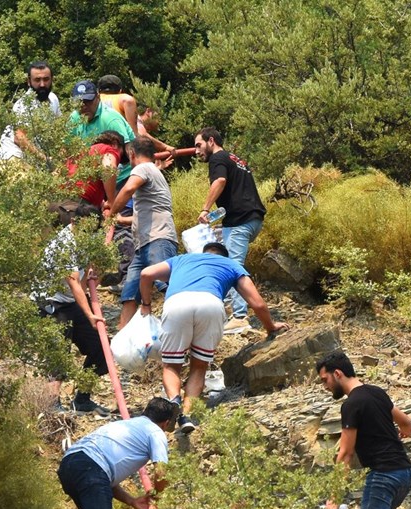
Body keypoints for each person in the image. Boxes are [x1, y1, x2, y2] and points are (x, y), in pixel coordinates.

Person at [138, 242, 289, 433]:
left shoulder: (182, 259)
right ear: (224, 256)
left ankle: (173, 400)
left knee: (171, 365)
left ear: (204, 253)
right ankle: (187, 416)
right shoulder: (231, 265)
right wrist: (271, 327)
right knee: (199, 367)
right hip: (211, 305)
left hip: (177, 304)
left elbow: (146, 274)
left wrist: (146, 304)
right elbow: (257, 304)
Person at [316, 351, 411, 509]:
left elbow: (346, 454)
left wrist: (334, 496)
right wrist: (401, 433)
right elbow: (407, 423)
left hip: (383, 474)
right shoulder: (376, 392)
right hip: (404, 474)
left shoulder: (351, 404)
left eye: (325, 380)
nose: (325, 386)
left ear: (338, 373)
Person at [57, 398, 178, 509]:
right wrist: (156, 496)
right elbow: (161, 472)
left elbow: (103, 477)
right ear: (166, 423)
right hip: (91, 468)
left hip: (69, 463)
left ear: (145, 412)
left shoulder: (124, 425)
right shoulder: (156, 432)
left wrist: (131, 501)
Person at [34, 210, 111, 415]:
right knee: (59, 352)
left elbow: (85, 279)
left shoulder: (88, 237)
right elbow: (74, 281)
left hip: (70, 301)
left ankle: (82, 399)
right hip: (50, 302)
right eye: (86, 228)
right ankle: (51, 405)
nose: (90, 232)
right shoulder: (64, 243)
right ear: (76, 220)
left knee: (102, 347)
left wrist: (96, 273)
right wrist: (90, 314)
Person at [193, 128, 267, 334]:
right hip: (253, 220)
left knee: (233, 267)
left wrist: (205, 209)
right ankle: (232, 312)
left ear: (211, 141)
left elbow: (220, 181)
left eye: (198, 145)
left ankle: (240, 316)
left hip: (239, 222)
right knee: (230, 263)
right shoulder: (236, 159)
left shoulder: (218, 158)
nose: (196, 151)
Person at [109, 136, 178, 329]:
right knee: (130, 295)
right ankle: (121, 347)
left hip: (158, 239)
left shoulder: (142, 168)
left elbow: (128, 189)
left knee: (169, 287)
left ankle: (181, 336)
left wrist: (112, 211)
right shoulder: (154, 171)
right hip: (144, 245)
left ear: (131, 153)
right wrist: (121, 219)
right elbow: (150, 209)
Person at [69, 80, 136, 187]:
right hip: (93, 178)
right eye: (79, 102)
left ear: (98, 98)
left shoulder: (110, 119)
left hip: (121, 177)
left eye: (88, 101)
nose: (83, 106)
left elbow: (129, 150)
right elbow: (67, 148)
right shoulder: (74, 117)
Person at [0, 61, 61, 162]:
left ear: (52, 79)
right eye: (37, 80)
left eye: (46, 79)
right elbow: (19, 138)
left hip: (34, 156)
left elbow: (59, 128)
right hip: (12, 155)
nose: (42, 84)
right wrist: (45, 159)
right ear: (29, 81)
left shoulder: (53, 99)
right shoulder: (22, 105)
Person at [97, 75, 174, 155]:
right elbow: (136, 134)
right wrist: (165, 147)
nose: (159, 122)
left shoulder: (93, 102)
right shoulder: (122, 99)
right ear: (120, 90)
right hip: (118, 151)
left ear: (99, 91)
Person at [65, 129, 125, 213]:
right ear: (115, 144)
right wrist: (111, 201)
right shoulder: (109, 149)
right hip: (76, 205)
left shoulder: (81, 153)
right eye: (121, 154)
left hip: (56, 202)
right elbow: (108, 168)